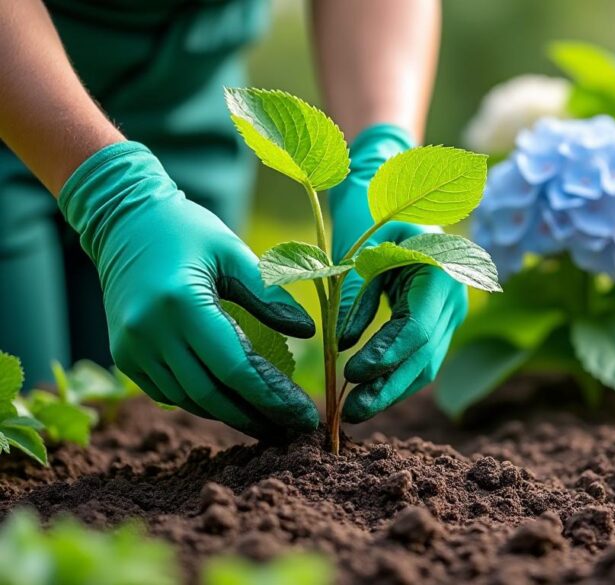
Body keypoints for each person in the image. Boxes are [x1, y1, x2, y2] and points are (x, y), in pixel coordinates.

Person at [0, 0, 467, 438]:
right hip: (14, 73)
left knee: (165, 397)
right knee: (25, 424)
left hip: (187, 102)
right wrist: (114, 193)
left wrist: (382, 154)